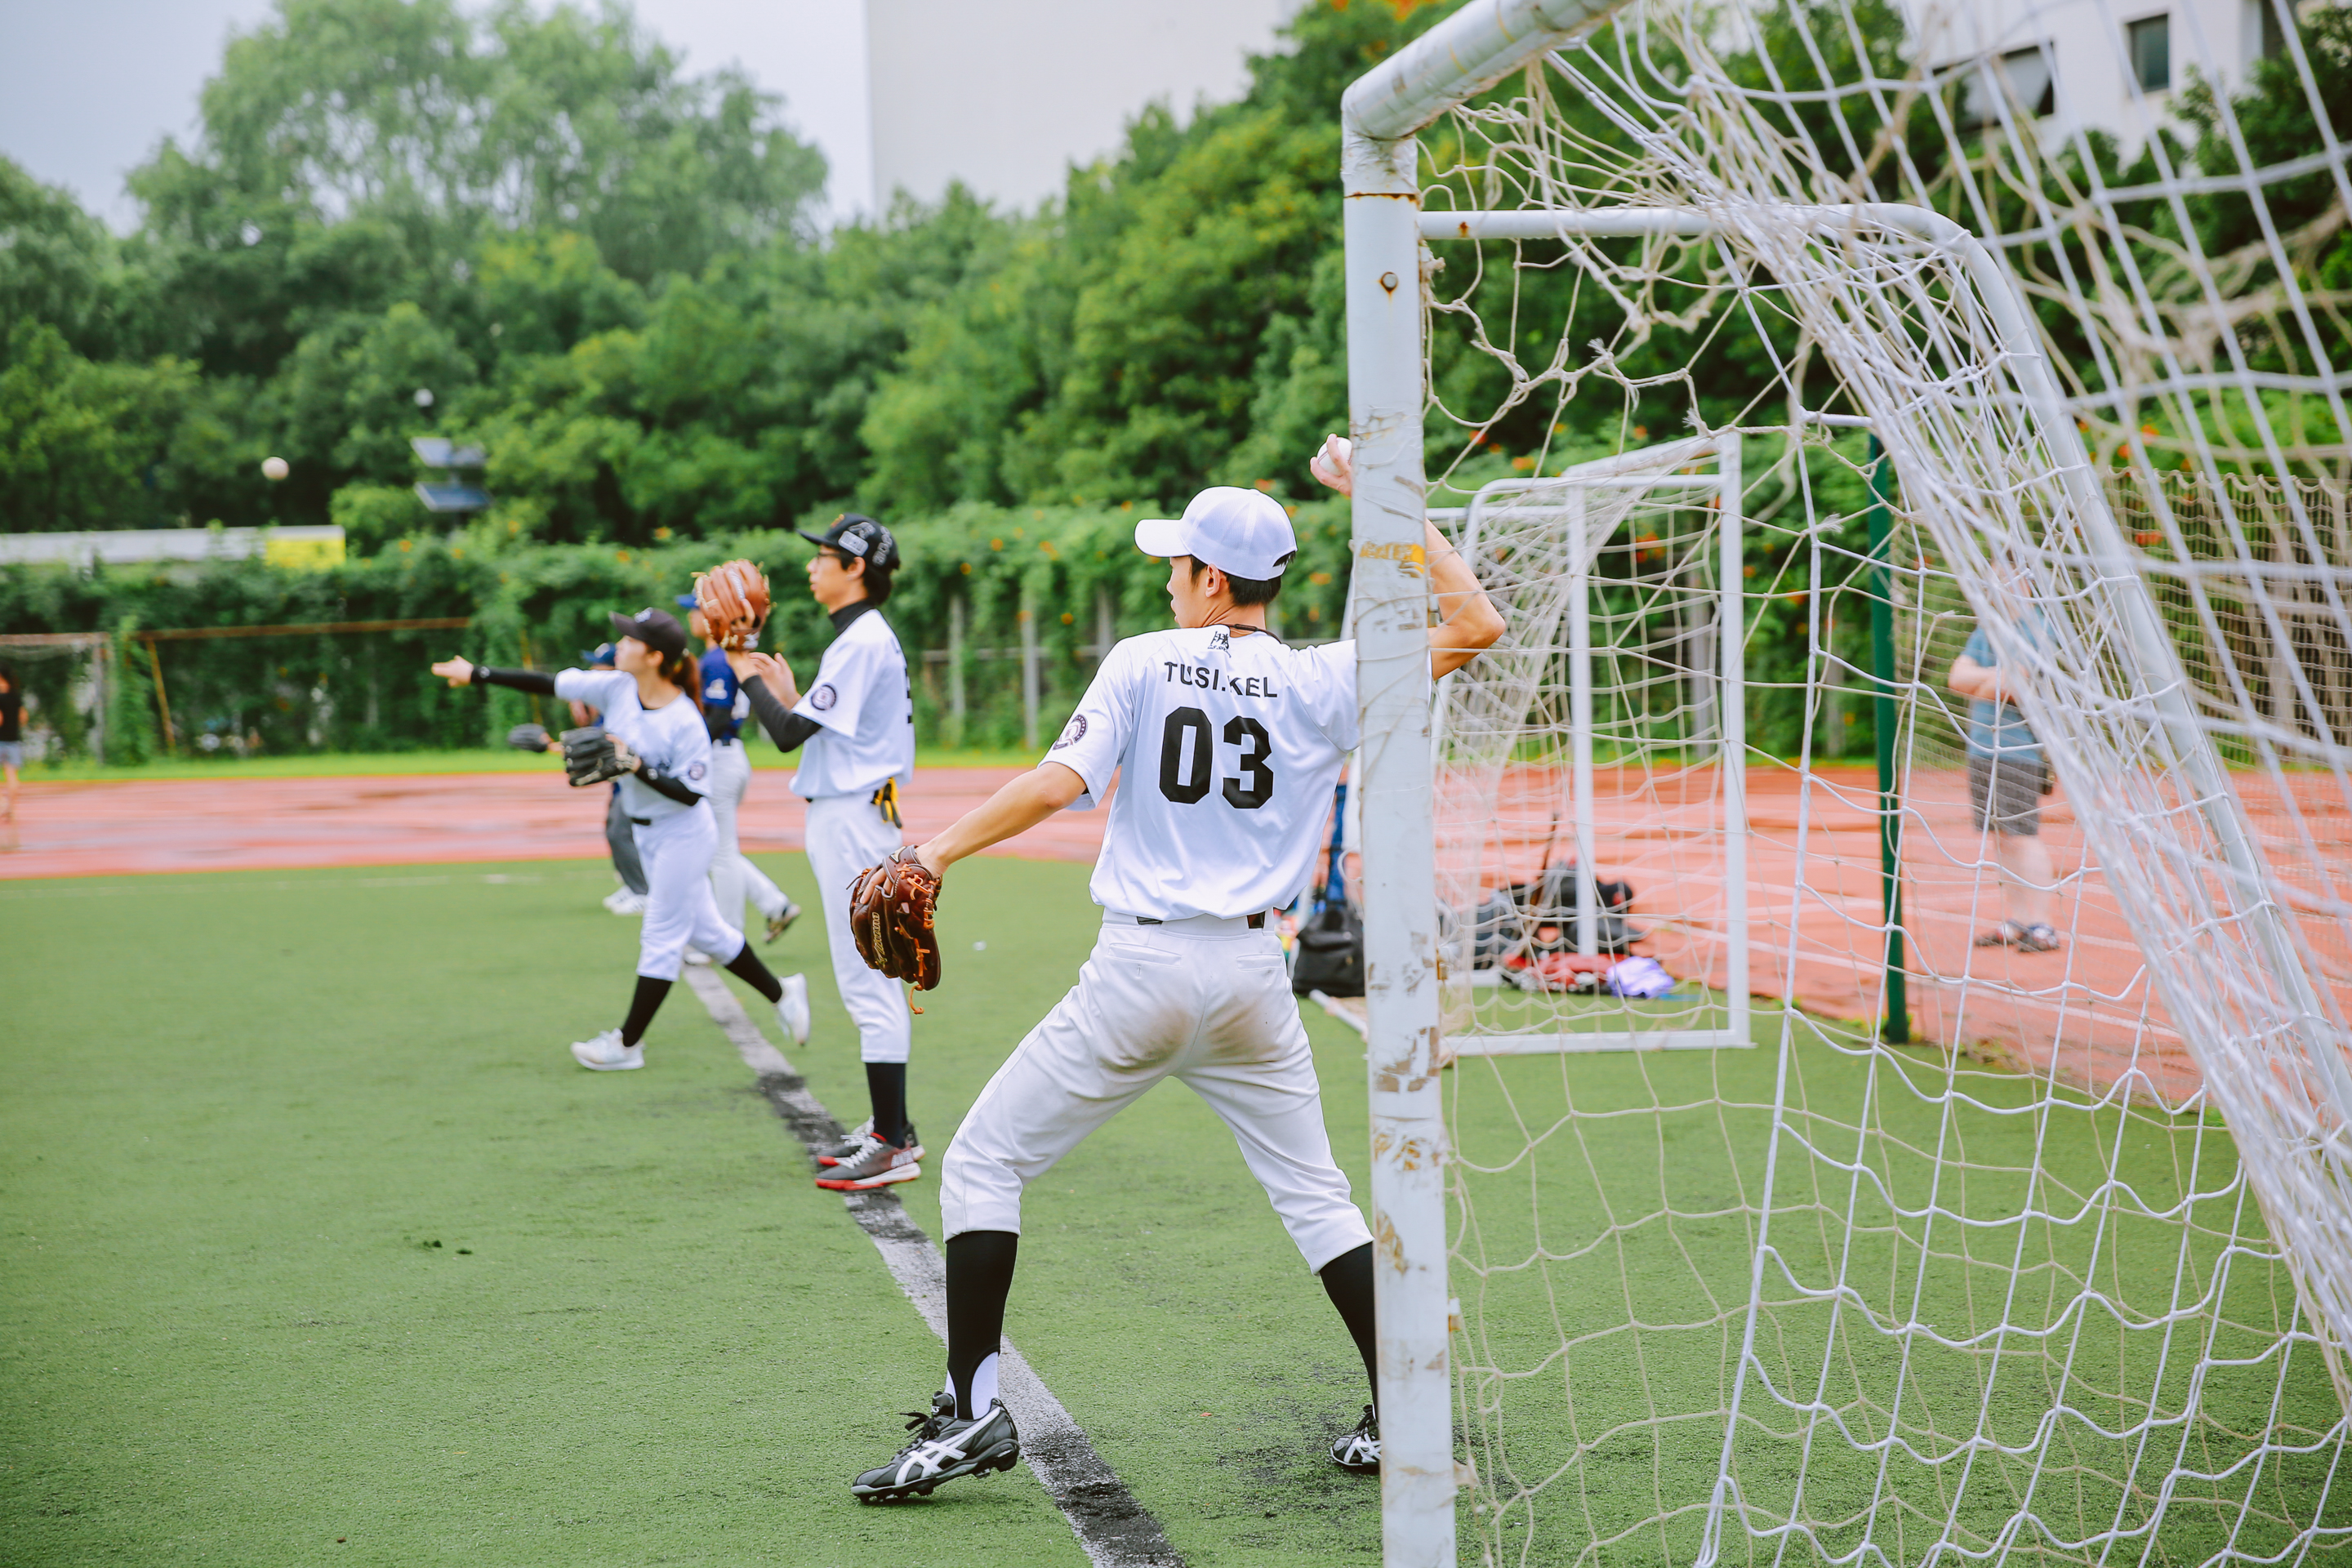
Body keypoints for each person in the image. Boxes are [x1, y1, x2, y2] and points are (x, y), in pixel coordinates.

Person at [844, 441, 1504, 1504]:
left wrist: (932, 852)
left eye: (1177, 562)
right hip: (1252, 972)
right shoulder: (1319, 672)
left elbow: (1060, 783)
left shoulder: (1147, 657)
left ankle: (973, 1414)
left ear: (1208, 579)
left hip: (1141, 968)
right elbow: (1477, 625)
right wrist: (1384, 497)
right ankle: (1410, 1410)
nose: (1167, 577)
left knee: (980, 1166)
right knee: (1317, 1196)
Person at [430, 607, 812, 1070]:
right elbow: (551, 683)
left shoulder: (685, 720)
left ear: (654, 657)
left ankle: (627, 1046)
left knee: (662, 935)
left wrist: (635, 764)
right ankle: (782, 992)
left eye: (631, 640)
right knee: (708, 933)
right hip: (648, 834)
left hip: (683, 836)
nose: (621, 645)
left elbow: (691, 796)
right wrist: (478, 674)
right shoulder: (617, 687)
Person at [731, 515, 918, 1194]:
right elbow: (812, 727)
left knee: (868, 982)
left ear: (856, 568)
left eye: (826, 555)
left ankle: (891, 1141)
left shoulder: (861, 641)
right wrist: (783, 694)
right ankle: (891, 1128)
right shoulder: (860, 640)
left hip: (853, 823)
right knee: (874, 979)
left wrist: (741, 673)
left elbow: (784, 736)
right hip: (859, 814)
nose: (813, 564)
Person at [677, 594, 801, 961]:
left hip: (719, 758)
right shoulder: (722, 656)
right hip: (729, 756)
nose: (691, 617)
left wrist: (684, 753)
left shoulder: (717, 658)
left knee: (720, 852)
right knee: (719, 847)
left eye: (695, 610)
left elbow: (716, 718)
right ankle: (774, 904)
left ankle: (727, 940)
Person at [1949, 603, 2062, 952]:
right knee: (2000, 837)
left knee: (2023, 835)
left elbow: (2012, 685)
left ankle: (2043, 926)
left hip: (2019, 749)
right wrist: (1993, 678)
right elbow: (1956, 679)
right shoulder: (1989, 628)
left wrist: (1983, 679)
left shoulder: (2037, 629)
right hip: (1981, 749)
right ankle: (2018, 921)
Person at [576, 642, 651, 917]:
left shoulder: (622, 696)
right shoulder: (604, 701)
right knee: (615, 829)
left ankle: (642, 890)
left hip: (636, 780)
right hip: (623, 782)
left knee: (620, 832)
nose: (592, 671)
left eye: (598, 666)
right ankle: (634, 887)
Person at [0, 664, 20, 844]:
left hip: (0, 741)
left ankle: (3, 803)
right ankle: (11, 809)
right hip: (14, 741)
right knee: (12, 776)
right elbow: (23, 717)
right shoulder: (16, 696)